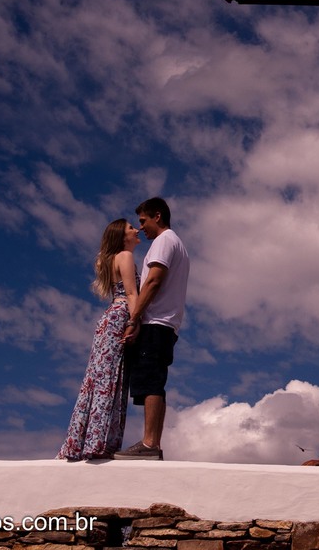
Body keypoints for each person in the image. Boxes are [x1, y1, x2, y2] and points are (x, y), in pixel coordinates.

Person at [58, 218, 140, 460]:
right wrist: (135, 323)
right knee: (110, 379)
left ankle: (87, 441)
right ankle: (98, 443)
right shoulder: (125, 256)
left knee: (100, 377)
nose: (136, 231)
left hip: (109, 318)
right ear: (122, 237)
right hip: (120, 317)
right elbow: (132, 293)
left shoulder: (110, 259)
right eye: (131, 228)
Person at [114, 196, 190, 460]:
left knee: (151, 382)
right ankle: (152, 443)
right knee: (153, 381)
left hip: (156, 323)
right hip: (164, 325)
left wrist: (134, 318)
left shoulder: (164, 241)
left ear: (157, 216)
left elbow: (153, 282)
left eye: (143, 221)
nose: (141, 227)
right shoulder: (174, 243)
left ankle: (149, 444)